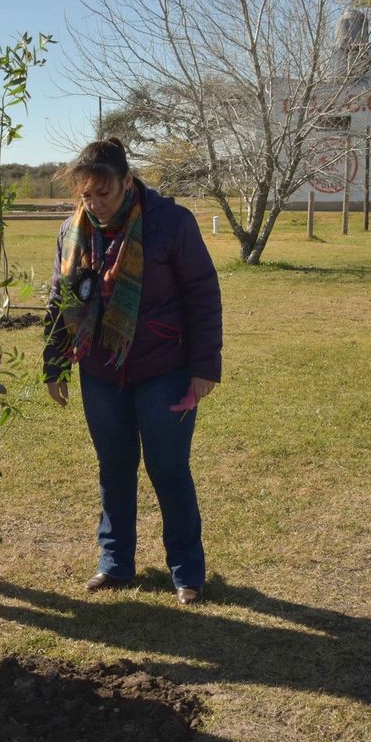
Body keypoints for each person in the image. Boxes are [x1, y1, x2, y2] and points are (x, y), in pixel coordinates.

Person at [43, 138, 223, 606]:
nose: (95, 204)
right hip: (101, 371)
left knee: (168, 467)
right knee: (114, 467)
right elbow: (62, 298)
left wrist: (204, 368)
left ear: (127, 180)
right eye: (85, 195)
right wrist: (55, 362)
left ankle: (187, 570)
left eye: (103, 193)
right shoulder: (72, 230)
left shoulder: (170, 222)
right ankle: (115, 562)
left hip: (166, 367)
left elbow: (203, 294)